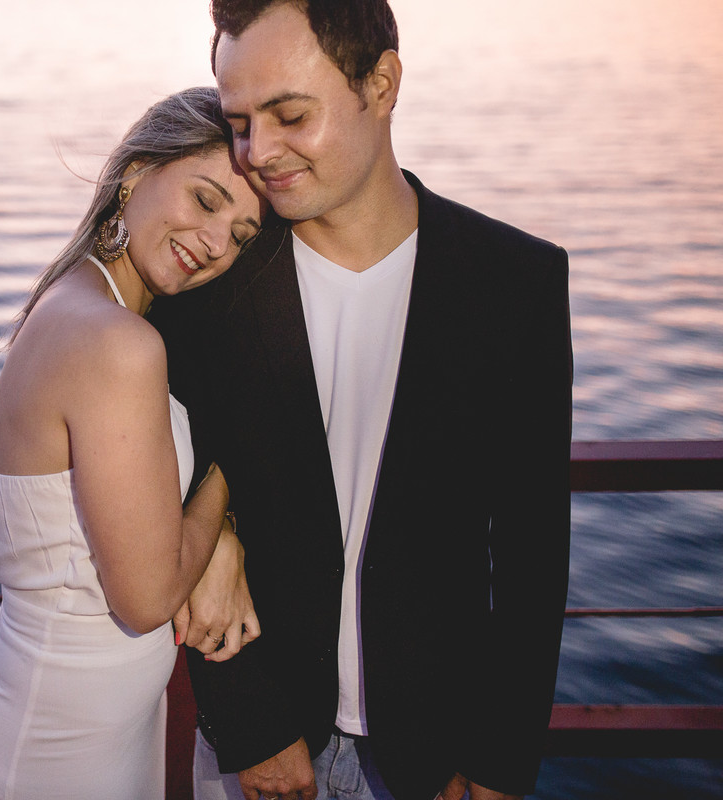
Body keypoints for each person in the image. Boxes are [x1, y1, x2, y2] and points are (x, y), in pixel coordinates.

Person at [150, 3, 573, 800]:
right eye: (238, 122)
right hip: (261, 757)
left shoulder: (515, 283)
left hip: (440, 759)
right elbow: (172, 492)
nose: (256, 154)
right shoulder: (210, 283)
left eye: (289, 115)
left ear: (381, 83)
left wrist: (496, 764)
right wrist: (253, 729)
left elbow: (533, 551)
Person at [0, 86, 265, 800]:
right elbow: (148, 599)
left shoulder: (79, 302)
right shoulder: (119, 343)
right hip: (57, 737)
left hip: (63, 709)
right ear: (136, 173)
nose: (215, 245)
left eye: (241, 235)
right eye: (207, 201)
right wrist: (227, 480)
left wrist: (222, 535)